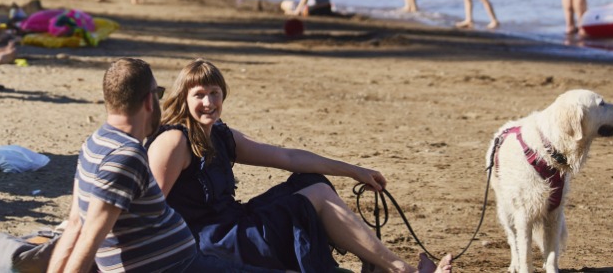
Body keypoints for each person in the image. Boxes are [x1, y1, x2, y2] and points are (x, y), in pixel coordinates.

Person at [147, 59, 454, 273]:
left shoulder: (221, 136)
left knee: (312, 183)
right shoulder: (175, 141)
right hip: (208, 242)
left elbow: (288, 158)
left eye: (214, 93)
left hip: (231, 224)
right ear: (183, 98)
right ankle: (401, 270)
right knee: (315, 197)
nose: (209, 102)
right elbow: (148, 207)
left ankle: (380, 265)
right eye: (199, 95)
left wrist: (354, 170)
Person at [46, 59, 286, 273]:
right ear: (150, 100)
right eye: (158, 92)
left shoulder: (94, 142)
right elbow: (89, 238)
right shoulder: (126, 156)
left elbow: (75, 226)